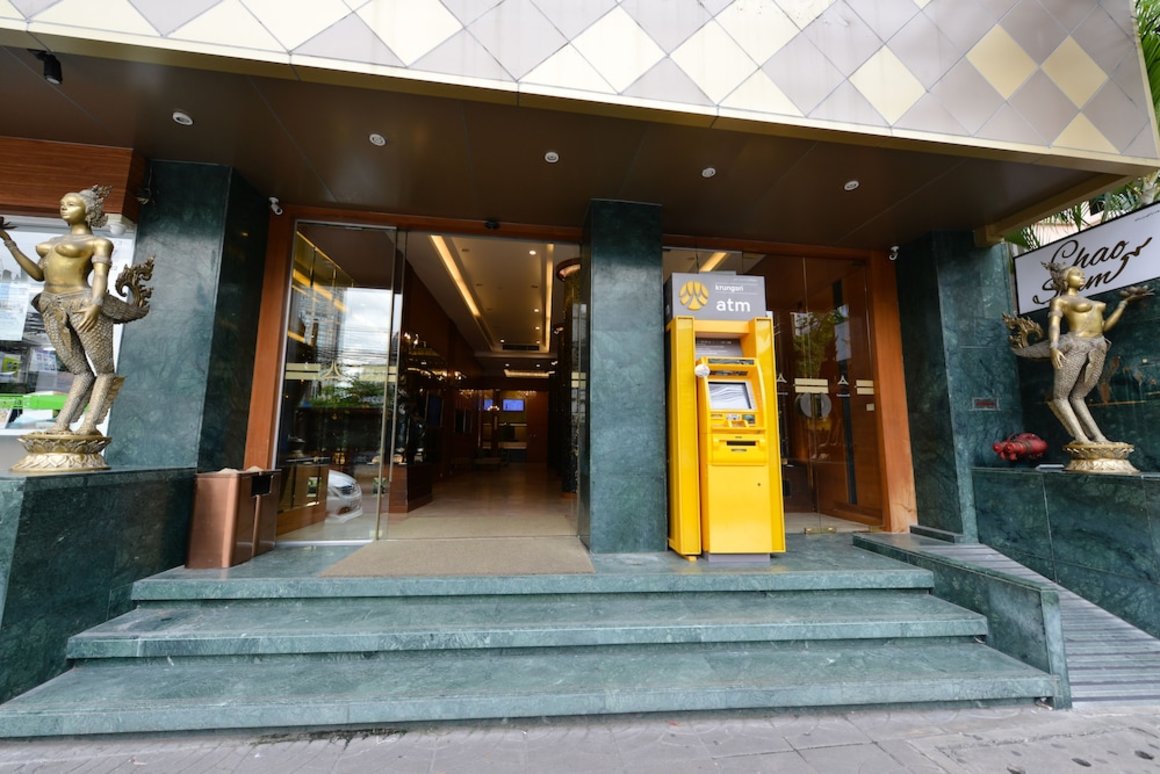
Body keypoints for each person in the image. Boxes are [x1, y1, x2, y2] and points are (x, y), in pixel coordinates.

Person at [0, 185, 149, 436]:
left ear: (88, 211)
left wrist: (96, 304)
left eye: (71, 204)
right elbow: (38, 274)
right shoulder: (52, 243)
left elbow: (100, 274)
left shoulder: (98, 242)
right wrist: (9, 243)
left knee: (103, 370)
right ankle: (61, 424)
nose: (64, 208)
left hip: (83, 304)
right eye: (62, 204)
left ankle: (89, 424)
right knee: (79, 370)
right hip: (51, 304)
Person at [1017, 260, 1152, 444]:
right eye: (1077, 274)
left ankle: (1099, 437)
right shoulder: (1060, 301)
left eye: (1082, 274)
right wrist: (1054, 347)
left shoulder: (1091, 302)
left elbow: (1104, 327)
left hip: (1098, 346)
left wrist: (1123, 304)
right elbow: (1054, 325)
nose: (1082, 276)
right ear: (1065, 279)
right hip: (1075, 346)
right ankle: (1080, 437)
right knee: (1060, 396)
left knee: (1079, 396)